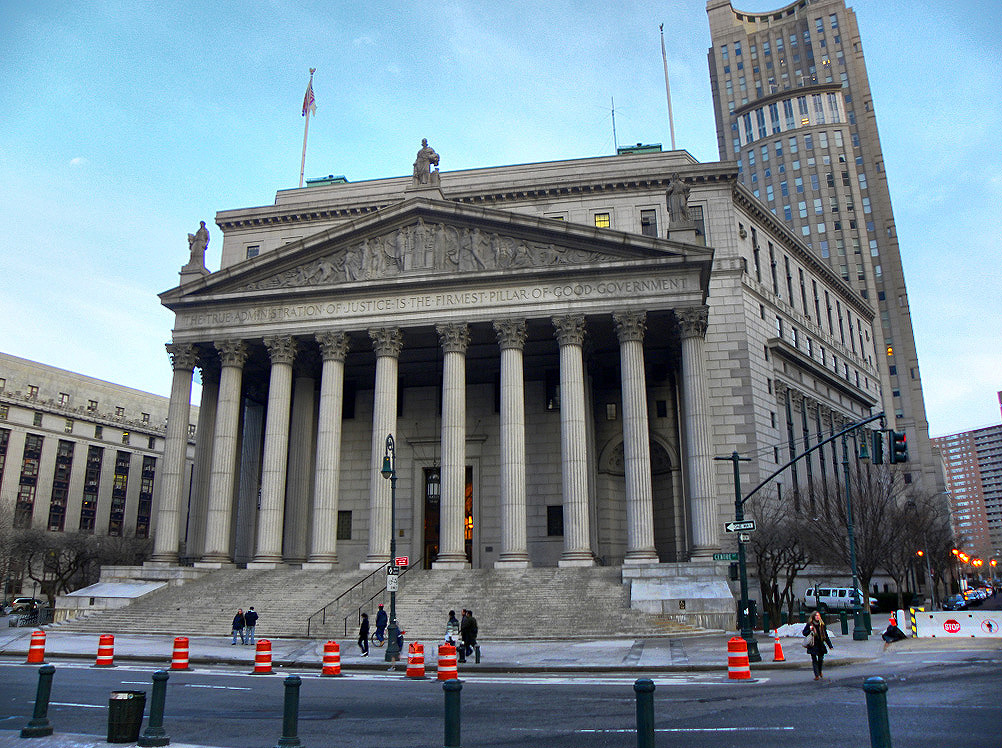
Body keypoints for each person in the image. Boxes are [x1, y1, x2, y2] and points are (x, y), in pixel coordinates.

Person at [802, 610, 834, 680]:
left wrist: (830, 645)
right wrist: (810, 630)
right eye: (816, 616)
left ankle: (819, 671)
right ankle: (816, 675)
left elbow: (825, 636)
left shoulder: (821, 624)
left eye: (818, 616)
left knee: (820, 659)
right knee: (814, 660)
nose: (817, 617)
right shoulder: (810, 624)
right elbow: (804, 633)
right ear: (813, 617)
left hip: (820, 644)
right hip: (813, 644)